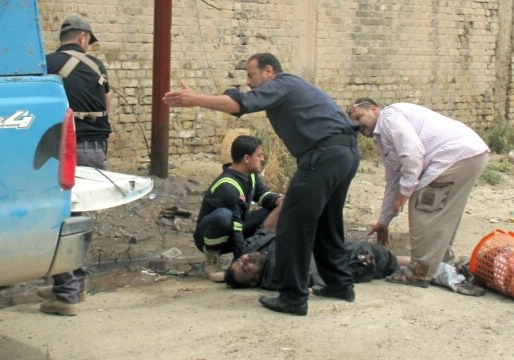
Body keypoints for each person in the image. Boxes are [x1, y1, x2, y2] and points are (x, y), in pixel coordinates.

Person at [164, 53, 360, 316]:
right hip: (344, 153)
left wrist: (197, 99)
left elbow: (241, 104)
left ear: (269, 71)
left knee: (292, 224)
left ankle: (293, 297)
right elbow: (237, 99)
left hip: (322, 156)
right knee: (327, 222)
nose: (248, 82)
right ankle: (339, 284)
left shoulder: (280, 84)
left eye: (251, 75)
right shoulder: (290, 87)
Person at [347, 98, 489, 289]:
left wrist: (406, 191)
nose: (357, 124)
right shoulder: (383, 138)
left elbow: (413, 153)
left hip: (455, 155)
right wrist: (384, 221)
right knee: (442, 214)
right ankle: (442, 265)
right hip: (470, 154)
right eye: (353, 121)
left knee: (422, 206)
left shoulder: (388, 118)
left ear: (374, 110)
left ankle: (419, 272)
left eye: (359, 117)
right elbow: (393, 181)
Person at [37, 15, 113, 316]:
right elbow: (107, 107)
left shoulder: (47, 65)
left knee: (59, 219)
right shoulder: (99, 68)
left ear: (66, 37)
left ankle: (66, 292)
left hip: (63, 153)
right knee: (78, 220)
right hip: (96, 152)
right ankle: (74, 285)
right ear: (84, 38)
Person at [194, 135, 283, 282]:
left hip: (235, 225)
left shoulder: (251, 176)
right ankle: (212, 259)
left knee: (271, 212)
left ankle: (259, 256)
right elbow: (236, 231)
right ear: (247, 158)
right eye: (259, 155)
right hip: (209, 236)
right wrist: (236, 265)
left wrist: (279, 200)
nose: (262, 159)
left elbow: (262, 196)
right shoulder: (227, 186)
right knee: (223, 216)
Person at [225, 229, 410, 290]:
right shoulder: (277, 271)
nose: (246, 260)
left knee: (390, 261)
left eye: (240, 260)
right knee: (388, 261)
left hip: (338, 249)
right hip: (355, 260)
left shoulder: (259, 252)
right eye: (246, 268)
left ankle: (424, 266)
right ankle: (431, 269)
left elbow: (267, 227)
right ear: (254, 281)